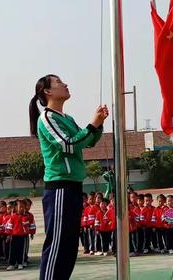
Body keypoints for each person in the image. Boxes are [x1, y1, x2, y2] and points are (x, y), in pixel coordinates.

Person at [29, 74, 108, 280]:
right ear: (47, 92)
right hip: (59, 187)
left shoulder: (67, 118)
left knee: (70, 245)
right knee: (57, 243)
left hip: (73, 186)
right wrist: (91, 126)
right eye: (58, 83)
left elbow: (87, 141)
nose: (65, 84)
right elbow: (69, 144)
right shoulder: (47, 118)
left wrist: (97, 125)